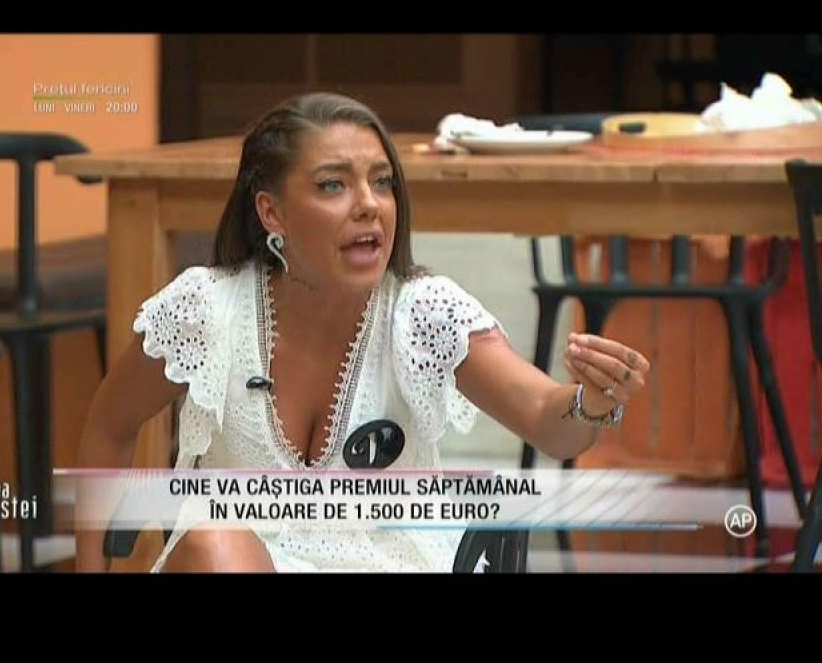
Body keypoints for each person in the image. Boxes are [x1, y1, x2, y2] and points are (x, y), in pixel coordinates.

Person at [76, 92, 650, 573]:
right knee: (214, 542)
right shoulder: (206, 309)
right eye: (333, 185)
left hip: (392, 562)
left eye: (382, 182)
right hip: (244, 562)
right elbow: (107, 426)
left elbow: (549, 422)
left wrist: (590, 402)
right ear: (272, 213)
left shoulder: (423, 312)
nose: (370, 206)